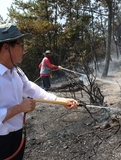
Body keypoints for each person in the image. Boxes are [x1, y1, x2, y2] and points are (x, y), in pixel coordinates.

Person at [0, 23, 78, 160]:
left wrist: (62, 101)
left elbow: (34, 91)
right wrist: (19, 108)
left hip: (17, 137)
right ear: (6, 47)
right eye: (21, 44)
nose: (24, 49)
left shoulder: (16, 72)